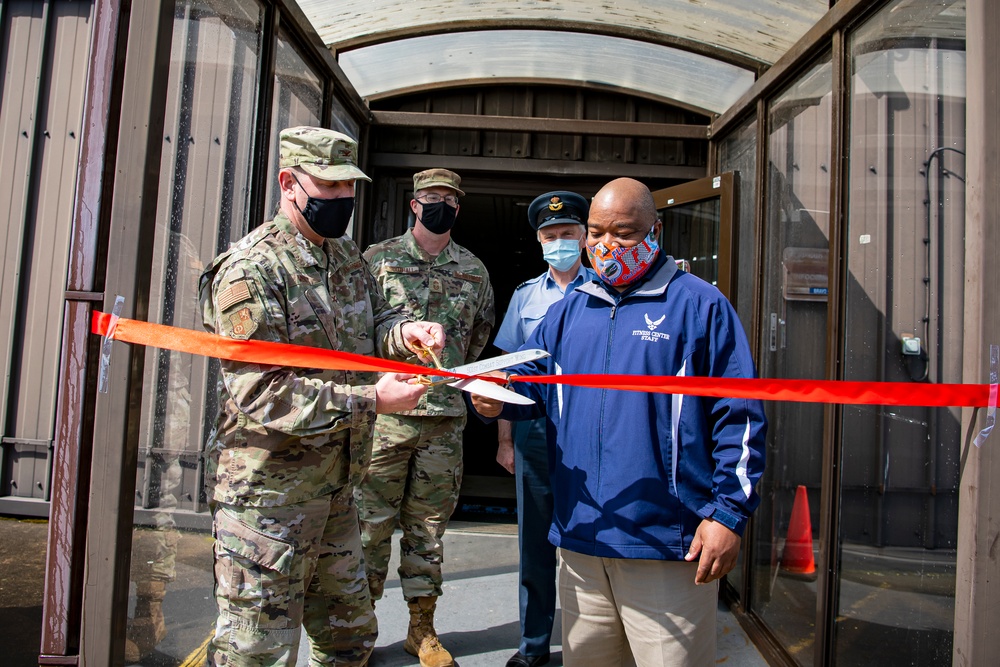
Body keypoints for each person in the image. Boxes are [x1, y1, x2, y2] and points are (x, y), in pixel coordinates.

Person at [468, 177, 767, 666]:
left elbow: (740, 419)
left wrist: (727, 516)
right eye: (597, 232)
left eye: (624, 234)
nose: (607, 246)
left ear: (656, 229)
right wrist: (496, 395)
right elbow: (532, 378)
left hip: (669, 547)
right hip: (582, 541)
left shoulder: (700, 307)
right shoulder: (569, 311)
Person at [199, 126, 444, 666]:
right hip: (268, 506)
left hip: (337, 492)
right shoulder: (251, 269)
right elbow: (260, 392)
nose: (343, 201)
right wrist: (370, 402)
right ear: (289, 183)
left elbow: (372, 322)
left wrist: (406, 333)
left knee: (350, 640)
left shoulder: (345, 257)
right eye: (329, 188)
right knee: (255, 654)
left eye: (348, 189)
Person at [357, 168, 495, 667]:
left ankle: (423, 629)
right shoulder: (378, 260)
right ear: (414, 204)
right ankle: (361, 628)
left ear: (458, 209)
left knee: (428, 530)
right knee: (369, 527)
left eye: (449, 200)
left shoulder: (474, 270)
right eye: (430, 198)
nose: (440, 205)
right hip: (387, 418)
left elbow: (478, 334)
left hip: (442, 420)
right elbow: (360, 329)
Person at [493, 191, 596, 667]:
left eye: (568, 235)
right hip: (534, 431)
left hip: (590, 432)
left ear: (584, 238)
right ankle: (533, 647)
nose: (560, 243)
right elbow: (507, 372)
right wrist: (505, 440)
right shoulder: (526, 296)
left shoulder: (607, 291)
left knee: (589, 541)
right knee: (534, 544)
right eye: (551, 236)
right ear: (539, 241)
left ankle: (587, 647)